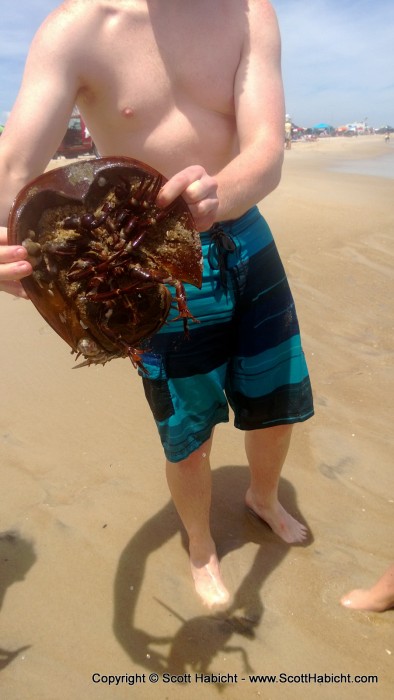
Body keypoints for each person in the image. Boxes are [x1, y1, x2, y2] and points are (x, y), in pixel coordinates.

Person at [0, 0, 314, 608]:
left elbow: (266, 150)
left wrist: (220, 193)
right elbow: (14, 164)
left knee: (276, 401)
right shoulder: (80, 28)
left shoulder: (249, 14)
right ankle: (200, 544)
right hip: (146, 261)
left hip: (247, 235)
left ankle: (263, 497)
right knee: (188, 431)